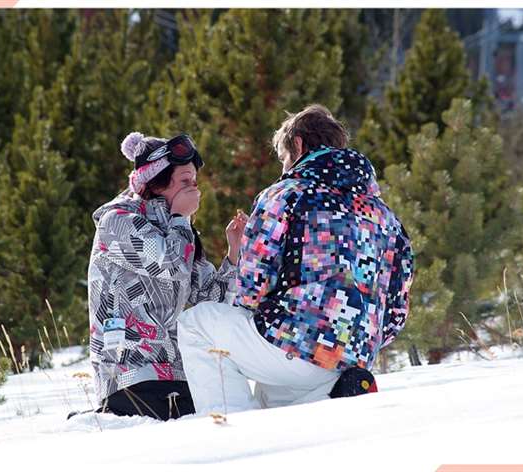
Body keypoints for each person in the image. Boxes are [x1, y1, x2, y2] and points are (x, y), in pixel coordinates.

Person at [177, 104, 414, 414]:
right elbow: (396, 311)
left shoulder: (285, 194)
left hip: (297, 345)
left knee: (197, 323)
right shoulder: (385, 217)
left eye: (284, 158)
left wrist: (247, 249)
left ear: (299, 145)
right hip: (355, 357)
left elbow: (251, 290)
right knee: (275, 403)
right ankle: (327, 398)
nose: (284, 167)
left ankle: (231, 436)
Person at [87, 131, 247, 421]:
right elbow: (171, 267)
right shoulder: (118, 222)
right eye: (185, 182)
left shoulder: (176, 229)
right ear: (158, 184)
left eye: (195, 182)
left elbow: (211, 298)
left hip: (179, 373)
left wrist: (234, 254)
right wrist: (181, 218)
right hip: (129, 379)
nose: (194, 191)